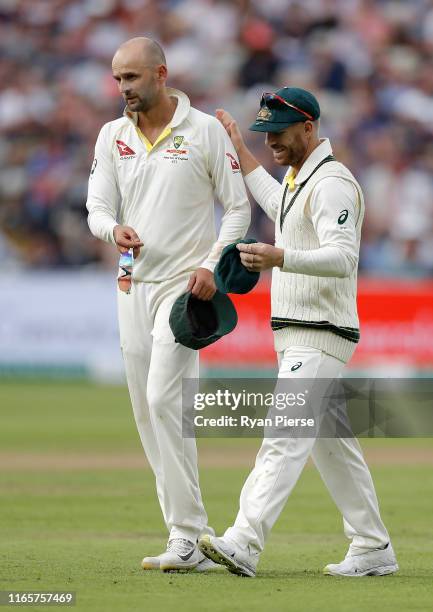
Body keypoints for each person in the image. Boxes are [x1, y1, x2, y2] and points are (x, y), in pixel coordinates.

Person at [199, 87, 398, 578]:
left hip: (319, 331)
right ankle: (373, 546)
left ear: (308, 127)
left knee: (283, 434)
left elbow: (343, 257)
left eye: (279, 133)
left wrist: (278, 256)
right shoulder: (297, 179)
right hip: (300, 330)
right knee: (333, 443)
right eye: (264, 135)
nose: (272, 143)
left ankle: (244, 539)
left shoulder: (333, 183)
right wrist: (239, 149)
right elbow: (275, 199)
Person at [85, 37, 250, 572]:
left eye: (131, 78)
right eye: (117, 79)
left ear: (160, 73)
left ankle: (187, 533)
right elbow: (97, 207)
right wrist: (113, 229)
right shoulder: (112, 135)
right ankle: (186, 534)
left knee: (163, 400)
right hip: (133, 285)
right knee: (147, 413)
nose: (123, 89)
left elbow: (238, 211)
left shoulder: (202, 131)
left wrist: (210, 264)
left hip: (184, 289)